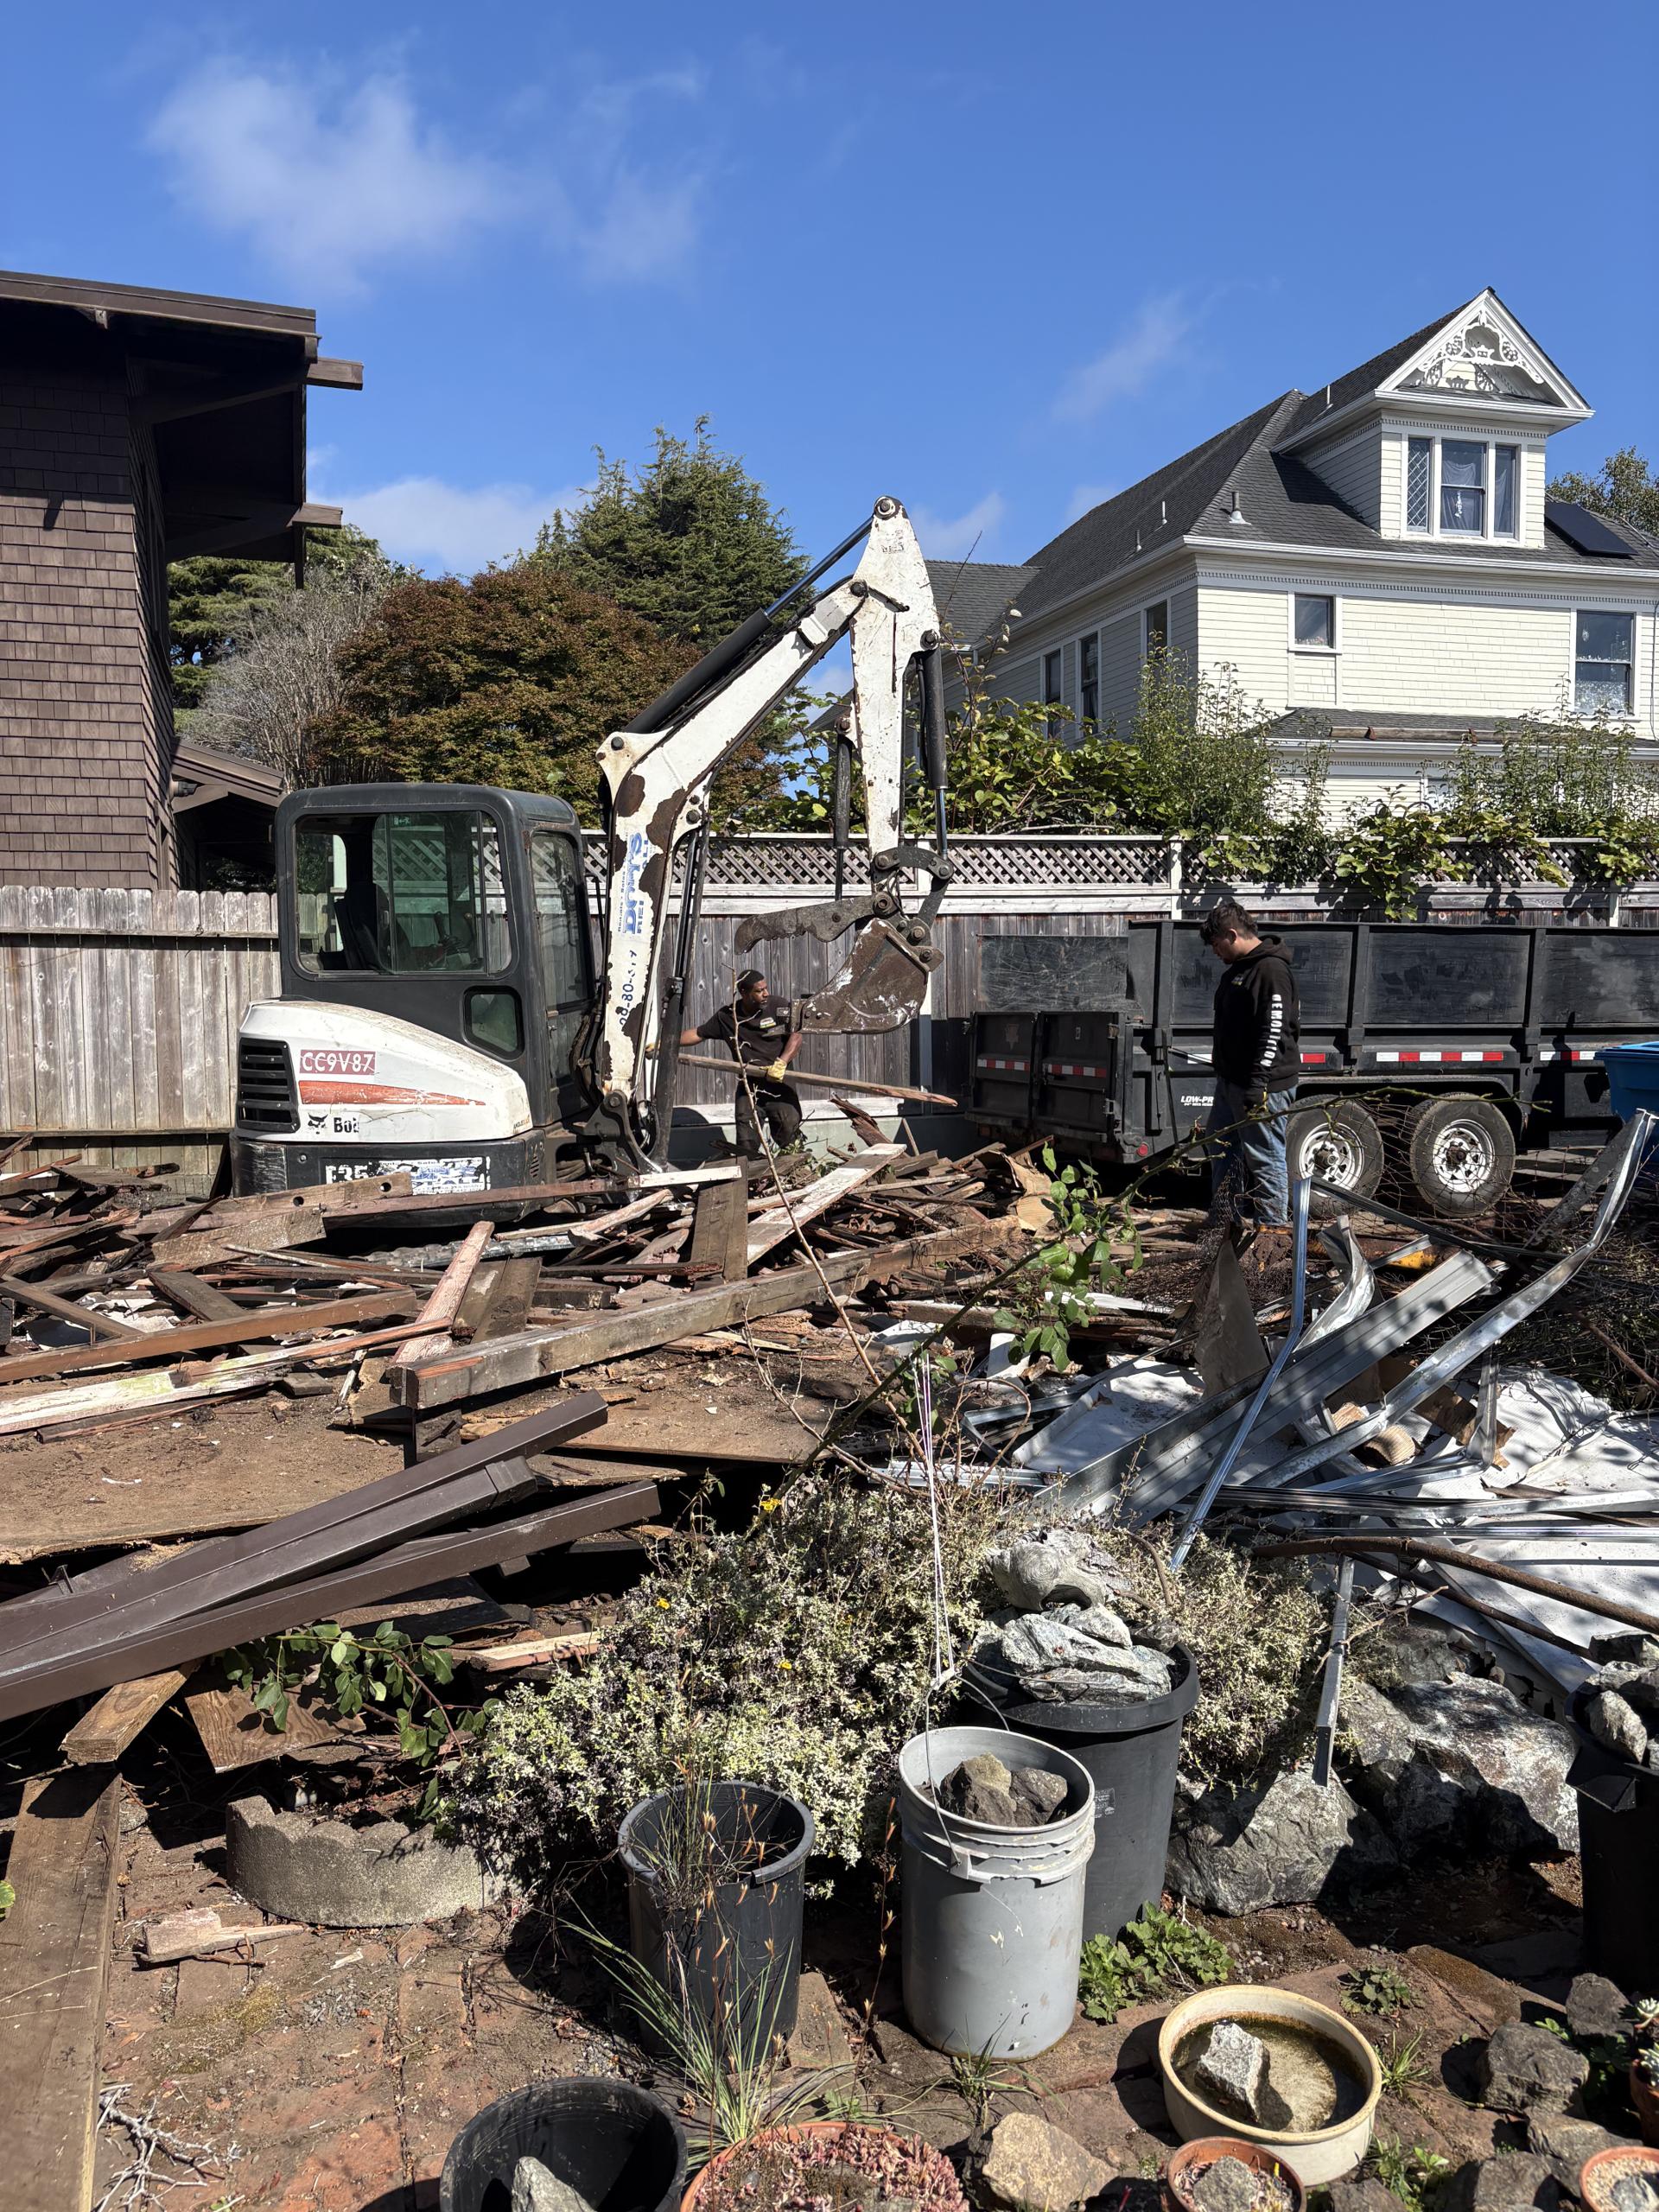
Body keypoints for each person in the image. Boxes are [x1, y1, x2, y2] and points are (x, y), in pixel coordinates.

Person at [1200, 899, 1300, 1229]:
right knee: (1221, 1146)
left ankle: (1272, 1230)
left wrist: (1258, 1085)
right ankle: (1225, 1222)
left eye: (1217, 944)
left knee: (1264, 1155)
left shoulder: (1270, 971)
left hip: (1261, 1086)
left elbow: (1273, 1031)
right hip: (1231, 1081)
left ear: (1232, 934)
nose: (1216, 952)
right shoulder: (1239, 970)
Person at [680, 967, 804, 1160]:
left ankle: (796, 1173)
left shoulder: (778, 1007)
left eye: (766, 988)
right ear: (744, 993)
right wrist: (666, 1042)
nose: (766, 994)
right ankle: (751, 1175)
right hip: (749, 1088)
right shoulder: (728, 1017)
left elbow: (796, 1035)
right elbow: (698, 1033)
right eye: (759, 990)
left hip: (780, 1085)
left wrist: (782, 1062)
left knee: (790, 1139)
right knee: (746, 1145)